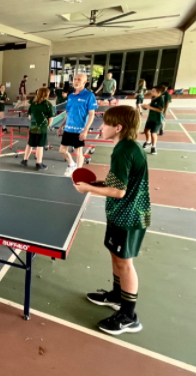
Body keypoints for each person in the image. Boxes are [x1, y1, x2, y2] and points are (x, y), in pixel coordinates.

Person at [74, 105, 150, 335]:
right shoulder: (127, 146)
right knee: (117, 258)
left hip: (129, 217)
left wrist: (88, 188)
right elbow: (118, 183)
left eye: (105, 124)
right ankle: (118, 296)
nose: (100, 128)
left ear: (118, 127)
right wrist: (98, 185)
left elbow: (119, 192)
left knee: (125, 264)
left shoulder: (124, 150)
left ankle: (129, 316)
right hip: (122, 214)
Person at [57, 73, 98, 176]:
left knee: (78, 153)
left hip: (79, 129)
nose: (76, 81)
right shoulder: (70, 96)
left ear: (84, 82)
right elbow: (68, 113)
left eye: (79, 79)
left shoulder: (89, 95)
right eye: (75, 79)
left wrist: (86, 130)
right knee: (62, 150)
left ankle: (78, 173)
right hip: (68, 128)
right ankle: (72, 164)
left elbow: (92, 114)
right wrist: (61, 126)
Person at [20, 87, 54, 171]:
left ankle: (24, 160)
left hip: (33, 127)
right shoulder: (48, 104)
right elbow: (51, 118)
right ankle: (39, 163)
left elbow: (29, 116)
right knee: (40, 145)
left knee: (30, 144)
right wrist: (48, 125)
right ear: (47, 94)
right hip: (42, 128)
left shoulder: (33, 103)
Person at [141, 86, 165, 155]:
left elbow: (161, 110)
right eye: (151, 91)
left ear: (158, 93)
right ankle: (148, 142)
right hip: (150, 118)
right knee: (146, 130)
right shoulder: (153, 98)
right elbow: (149, 106)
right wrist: (145, 106)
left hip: (157, 119)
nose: (151, 92)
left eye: (153, 91)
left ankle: (154, 147)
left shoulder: (161, 99)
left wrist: (149, 107)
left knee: (153, 133)